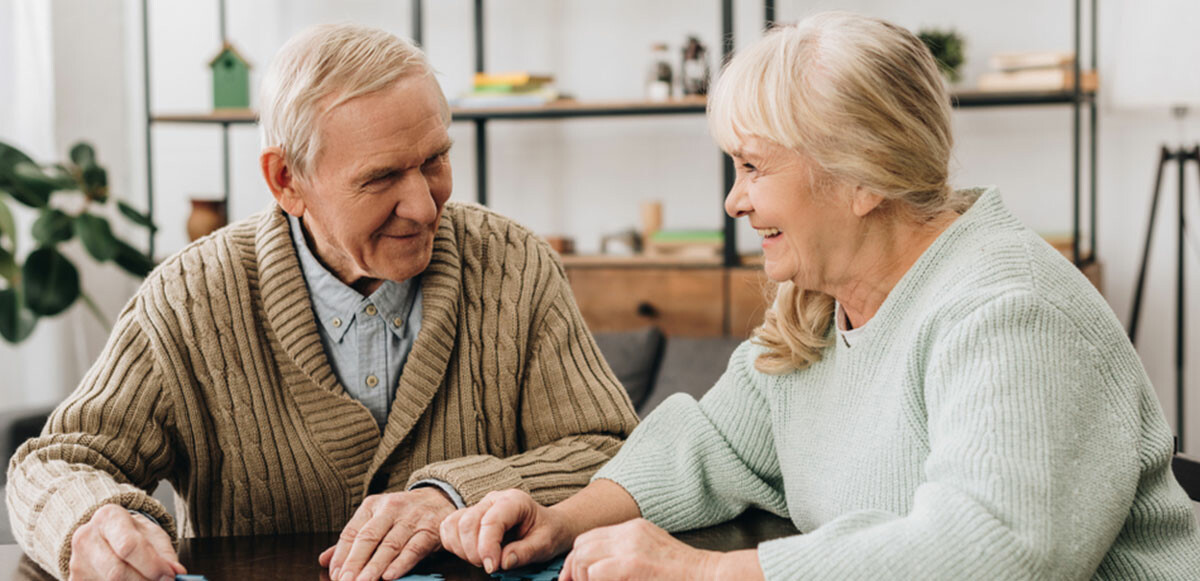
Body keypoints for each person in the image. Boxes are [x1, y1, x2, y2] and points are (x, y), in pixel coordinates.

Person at [437, 12, 1200, 580]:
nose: (733, 203)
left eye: (752, 167)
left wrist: (703, 572)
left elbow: (994, 549)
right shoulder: (817, 304)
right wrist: (560, 520)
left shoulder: (1013, 311)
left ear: (862, 174)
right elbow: (716, 443)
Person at [6, 23, 638, 581]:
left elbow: (617, 453)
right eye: (382, 178)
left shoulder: (515, 265)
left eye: (436, 160)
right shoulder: (188, 298)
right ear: (287, 181)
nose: (423, 205)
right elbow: (56, 464)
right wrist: (89, 522)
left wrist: (454, 493)